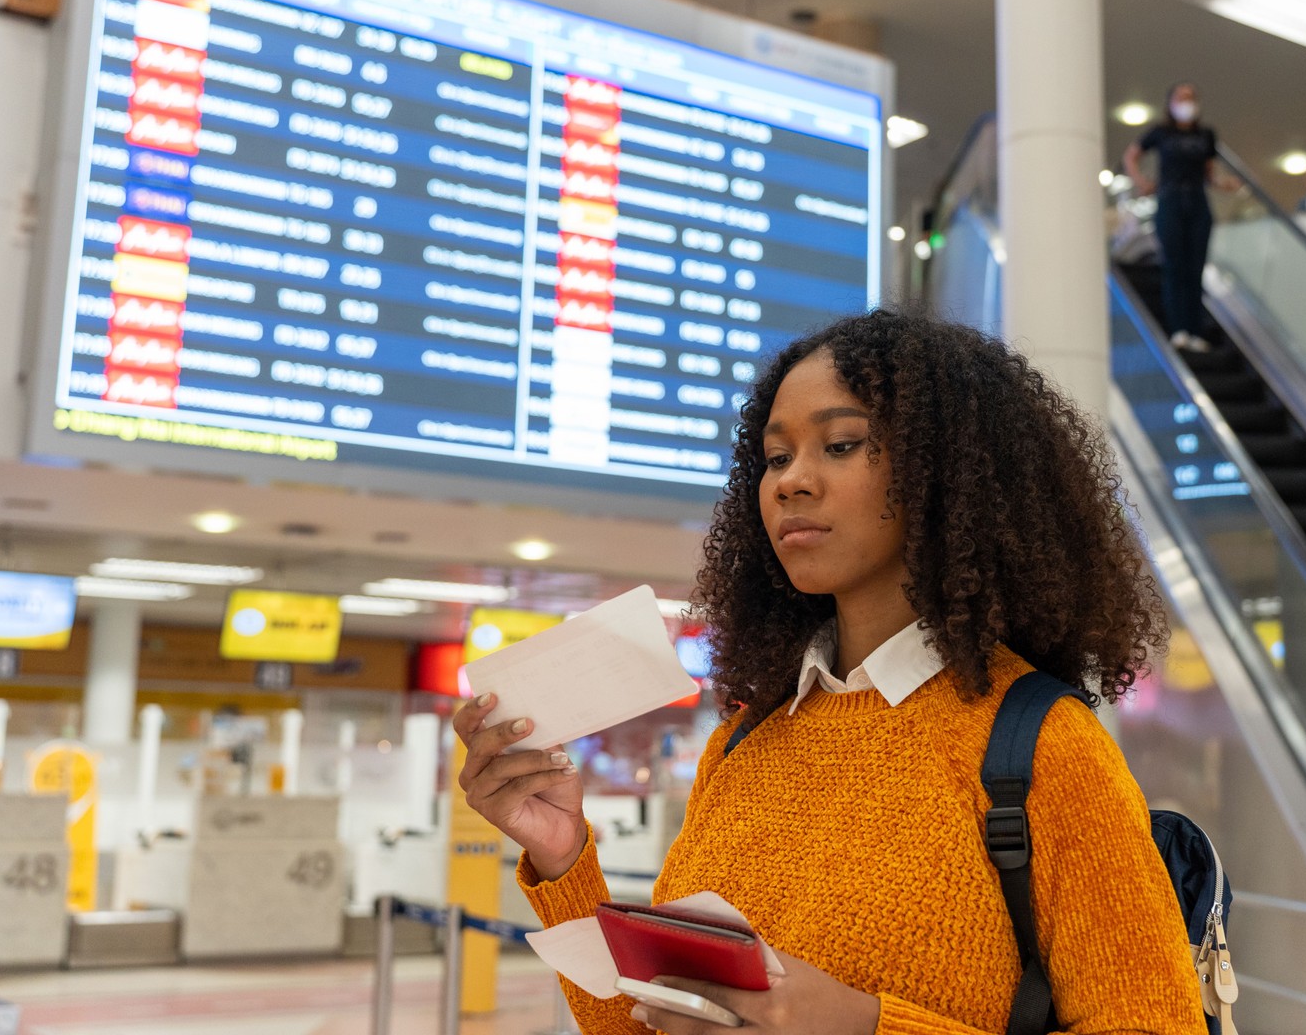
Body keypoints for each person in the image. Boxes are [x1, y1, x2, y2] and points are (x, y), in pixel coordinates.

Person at [454, 312, 1201, 1035]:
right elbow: (656, 1026)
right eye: (776, 457)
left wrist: (865, 1026)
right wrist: (563, 859)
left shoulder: (1040, 746)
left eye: (841, 445)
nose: (791, 482)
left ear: (944, 475)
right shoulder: (744, 744)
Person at [1122, 83, 1237, 354]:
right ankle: (1178, 330)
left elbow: (1210, 174)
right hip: (1170, 201)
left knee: (1195, 267)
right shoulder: (1161, 133)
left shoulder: (1206, 134)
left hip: (1197, 202)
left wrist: (1223, 184)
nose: (1187, 102)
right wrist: (1141, 182)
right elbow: (1131, 156)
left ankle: (1195, 330)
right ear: (1170, 103)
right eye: (1181, 98)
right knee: (1174, 266)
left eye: (1191, 98)